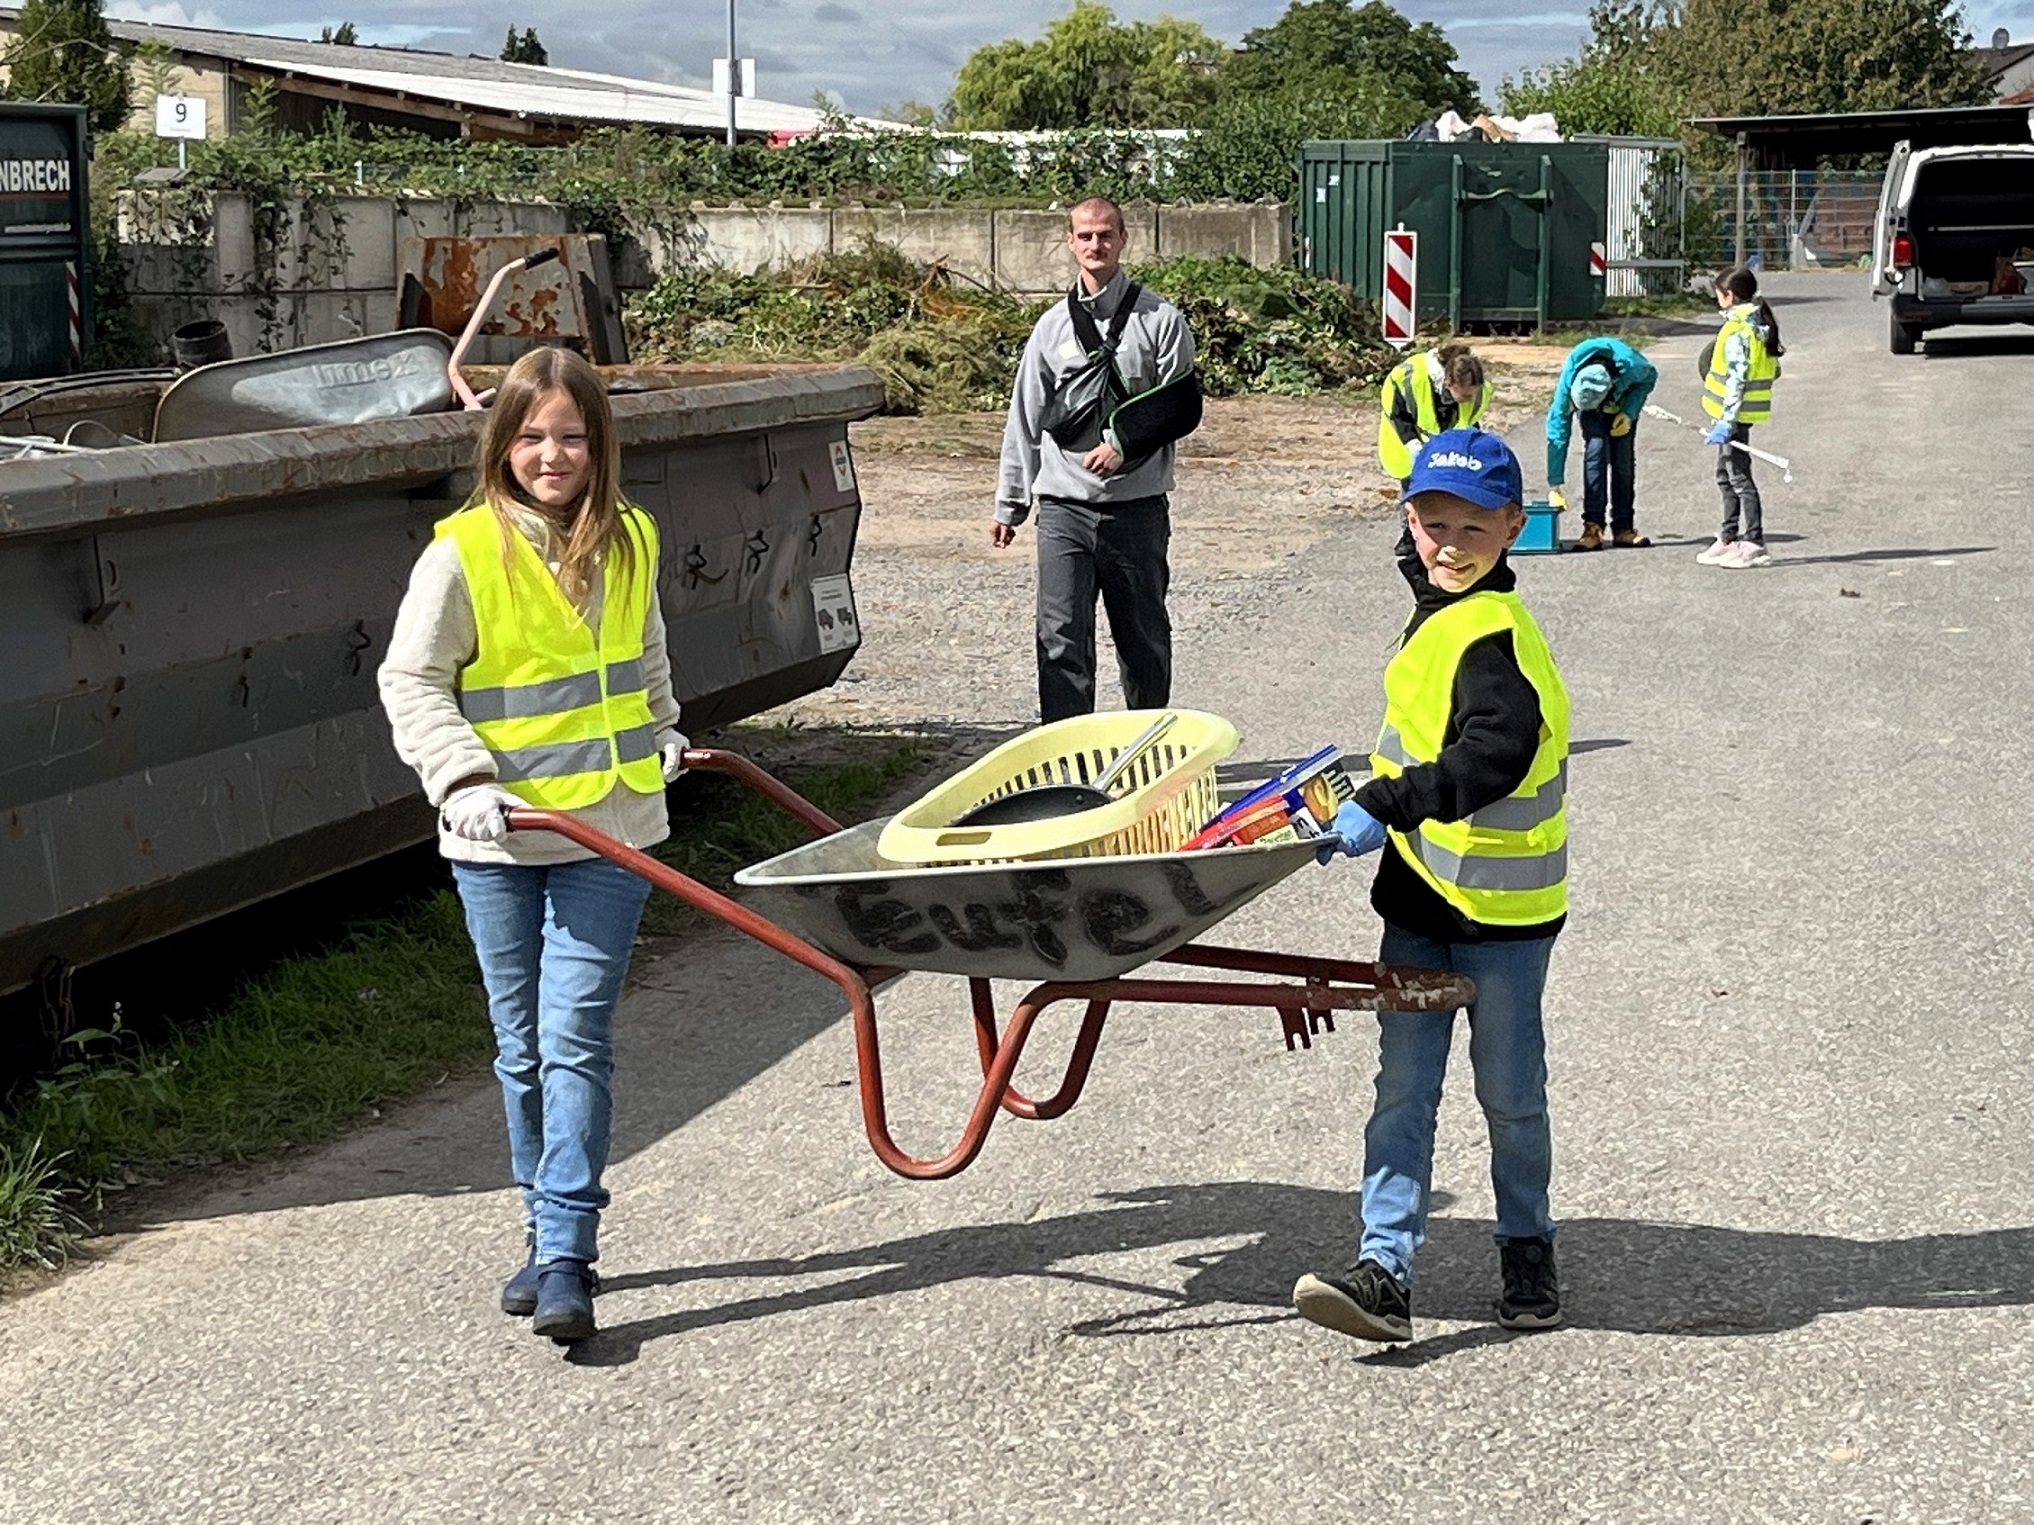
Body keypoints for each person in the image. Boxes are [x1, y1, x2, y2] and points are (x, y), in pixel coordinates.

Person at [378, 346, 688, 1344]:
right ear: (501, 442)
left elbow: (642, 657)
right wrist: (461, 778)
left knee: (574, 1040)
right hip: (498, 840)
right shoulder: (462, 553)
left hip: (610, 828)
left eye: (570, 436)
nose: (551, 455)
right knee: (520, 1053)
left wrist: (668, 726)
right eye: (532, 435)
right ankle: (540, 1224)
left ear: (599, 445)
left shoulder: (631, 536)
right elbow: (411, 681)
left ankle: (566, 1251)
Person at [1295, 426, 1570, 1345]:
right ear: (1407, 519)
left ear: (1512, 527)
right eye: (1430, 523)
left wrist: (1388, 800)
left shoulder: (1494, 638)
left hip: (1504, 921)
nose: (1448, 546)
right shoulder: (1439, 606)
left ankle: (1527, 1244)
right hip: (1418, 904)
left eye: (1472, 530)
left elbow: (1494, 752)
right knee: (1403, 1091)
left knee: (1509, 1093)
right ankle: (1385, 1272)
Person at [992, 195, 1200, 723]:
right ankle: (1069, 757)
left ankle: (1146, 748)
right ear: (1070, 242)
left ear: (1123, 239)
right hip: (1063, 508)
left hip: (1137, 509)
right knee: (1061, 639)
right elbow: (1025, 416)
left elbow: (1181, 405)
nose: (1095, 245)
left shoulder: (1162, 320)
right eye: (1084, 235)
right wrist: (1009, 503)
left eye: (1105, 234)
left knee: (1144, 640)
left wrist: (1126, 444)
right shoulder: (1050, 328)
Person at [1696, 265, 1783, 570]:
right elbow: (1775, 369)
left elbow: (1737, 379)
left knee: (1739, 478)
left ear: (1728, 296)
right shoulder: (1756, 324)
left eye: (1718, 295)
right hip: (1731, 417)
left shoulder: (1739, 330)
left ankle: (1755, 542)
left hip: (1732, 419)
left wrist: (1726, 422)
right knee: (1725, 475)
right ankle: (1728, 536)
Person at [1544, 335, 1657, 551]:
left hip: (1622, 403)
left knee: (1622, 462)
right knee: (1596, 452)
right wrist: (1555, 484)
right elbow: (1557, 435)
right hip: (1592, 409)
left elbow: (1649, 379)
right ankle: (1592, 526)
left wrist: (1629, 412)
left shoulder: (1633, 364)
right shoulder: (1569, 383)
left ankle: (1624, 528)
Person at [1377, 344, 1491, 557]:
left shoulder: (1477, 390)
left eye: (1472, 395)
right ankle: (1409, 537)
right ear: (1448, 383)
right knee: (1413, 486)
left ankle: (1444, 532)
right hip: (1406, 436)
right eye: (1465, 395)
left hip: (1445, 439)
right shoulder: (1409, 377)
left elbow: (1469, 421)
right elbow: (1397, 414)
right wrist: (1413, 445)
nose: (1469, 399)